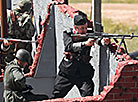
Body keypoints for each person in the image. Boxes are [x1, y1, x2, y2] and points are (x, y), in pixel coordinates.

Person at [51, 14, 110, 98]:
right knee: (56, 95)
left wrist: (105, 42)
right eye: (82, 28)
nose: (84, 30)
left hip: (83, 73)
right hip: (67, 72)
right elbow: (69, 47)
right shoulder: (68, 33)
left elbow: (98, 41)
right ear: (75, 28)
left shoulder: (89, 33)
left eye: (85, 27)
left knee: (88, 96)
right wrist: (84, 44)